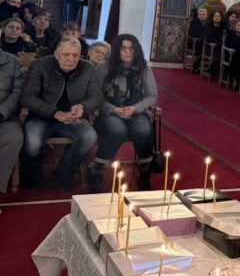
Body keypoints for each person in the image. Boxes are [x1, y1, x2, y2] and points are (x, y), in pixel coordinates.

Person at [20, 37, 102, 190]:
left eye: (75, 55)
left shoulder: (88, 69)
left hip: (72, 118)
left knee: (89, 137)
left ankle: (63, 174)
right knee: (32, 142)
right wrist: (55, 113)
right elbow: (27, 97)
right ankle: (34, 176)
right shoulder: (40, 65)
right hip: (42, 116)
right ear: (56, 54)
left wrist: (82, 107)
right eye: (66, 55)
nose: (71, 59)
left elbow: (97, 97)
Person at [92, 34, 158, 191]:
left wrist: (136, 108)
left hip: (136, 111)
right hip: (109, 112)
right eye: (124, 48)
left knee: (143, 129)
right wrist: (114, 109)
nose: (128, 52)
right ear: (117, 50)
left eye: (131, 48)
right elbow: (95, 96)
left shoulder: (143, 69)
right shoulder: (104, 68)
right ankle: (97, 170)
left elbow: (152, 96)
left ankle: (145, 171)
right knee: (117, 129)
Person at [0, 46, 25, 193]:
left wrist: (2, 112)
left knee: (14, 137)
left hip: (5, 116)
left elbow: (18, 91)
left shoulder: (12, 61)